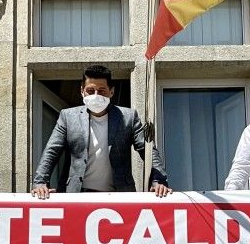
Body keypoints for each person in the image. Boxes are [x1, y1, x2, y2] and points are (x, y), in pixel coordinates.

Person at [32, 65, 169, 198]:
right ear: (82, 91)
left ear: (111, 92)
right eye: (90, 91)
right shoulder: (68, 117)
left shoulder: (128, 117)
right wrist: (40, 182)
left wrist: (159, 180)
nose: (96, 95)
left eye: (102, 91)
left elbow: (148, 150)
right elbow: (52, 151)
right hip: (77, 195)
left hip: (118, 196)